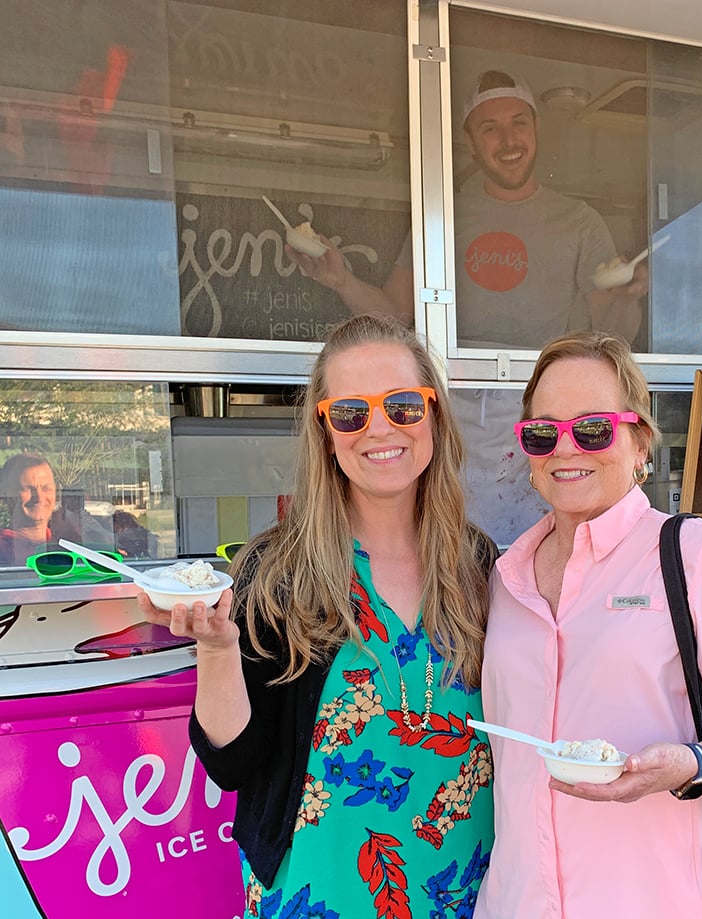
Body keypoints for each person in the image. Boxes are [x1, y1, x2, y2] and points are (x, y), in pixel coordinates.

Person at [138, 314, 497, 918]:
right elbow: (232, 764)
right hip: (319, 893)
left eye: (404, 405)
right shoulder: (278, 571)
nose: (379, 428)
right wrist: (219, 650)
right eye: (351, 412)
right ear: (326, 432)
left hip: (466, 887)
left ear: (433, 417)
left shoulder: (481, 566)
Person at [474, 330, 702, 918]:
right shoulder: (503, 580)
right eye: (544, 433)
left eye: (592, 428)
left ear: (639, 441)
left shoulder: (693, 556)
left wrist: (696, 763)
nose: (567, 449)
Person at [286, 70, 647, 349]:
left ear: (536, 128)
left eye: (519, 123)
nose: (509, 141)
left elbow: (612, 335)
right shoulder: (440, 217)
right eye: (490, 129)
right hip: (452, 402)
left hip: (540, 400)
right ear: (470, 142)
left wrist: (627, 299)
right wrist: (341, 281)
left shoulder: (580, 221)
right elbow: (394, 317)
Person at [0, 452, 57, 566]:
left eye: (46, 488)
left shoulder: (68, 543)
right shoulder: (2, 548)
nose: (39, 497)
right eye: (28, 489)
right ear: (7, 495)